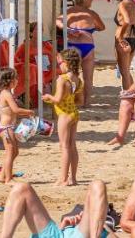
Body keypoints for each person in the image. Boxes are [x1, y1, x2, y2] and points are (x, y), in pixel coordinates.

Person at [0, 180, 109, 238]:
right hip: (56, 234)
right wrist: (63, 225)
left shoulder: (100, 224)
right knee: (21, 188)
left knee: (98, 185)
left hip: (84, 234)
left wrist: (103, 225)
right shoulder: (80, 212)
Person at [57, 0, 105, 105]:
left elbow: (56, 21)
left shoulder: (68, 12)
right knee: (88, 78)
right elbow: (102, 27)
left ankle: (73, 100)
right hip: (87, 46)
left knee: (72, 74)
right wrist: (92, 28)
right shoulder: (91, 14)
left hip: (72, 46)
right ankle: (86, 102)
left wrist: (68, 29)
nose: (92, 0)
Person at [42, 48, 83, 186]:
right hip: (74, 113)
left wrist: (48, 97)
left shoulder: (62, 79)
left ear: (66, 63)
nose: (59, 66)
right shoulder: (78, 80)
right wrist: (68, 99)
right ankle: (73, 178)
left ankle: (63, 178)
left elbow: (58, 99)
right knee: (72, 146)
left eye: (60, 63)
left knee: (64, 147)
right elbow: (80, 100)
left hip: (64, 115)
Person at [0, 67, 33, 183]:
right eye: (15, 78)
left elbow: (13, 111)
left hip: (9, 127)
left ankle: (2, 176)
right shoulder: (6, 94)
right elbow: (15, 109)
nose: (17, 80)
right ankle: (8, 178)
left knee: (14, 152)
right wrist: (29, 112)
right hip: (6, 128)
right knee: (10, 152)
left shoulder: (7, 93)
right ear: (9, 81)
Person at [111, 0, 135, 90]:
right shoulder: (131, 1)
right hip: (132, 38)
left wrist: (120, 37)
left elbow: (126, 21)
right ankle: (134, 93)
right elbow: (133, 21)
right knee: (126, 71)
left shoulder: (122, 4)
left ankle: (128, 98)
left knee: (124, 73)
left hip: (123, 39)